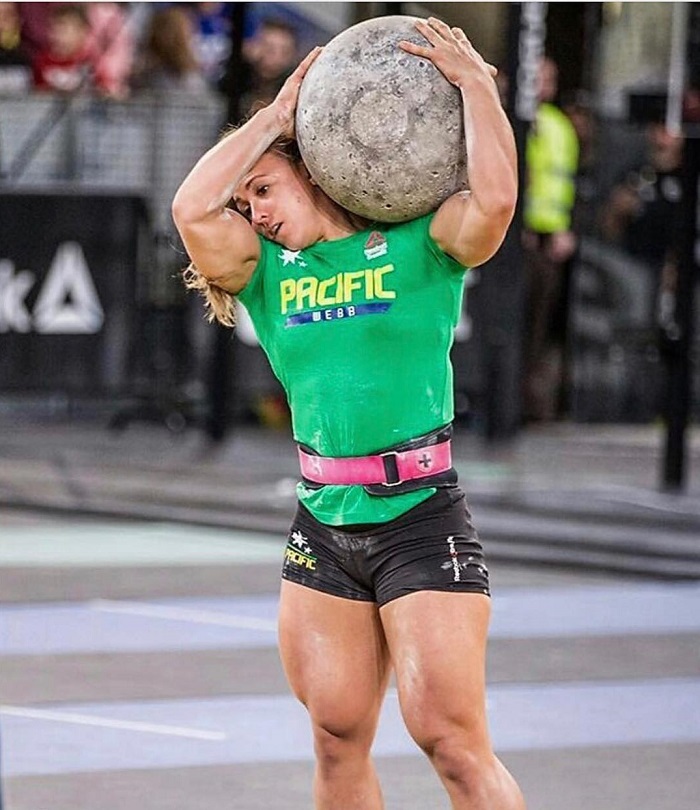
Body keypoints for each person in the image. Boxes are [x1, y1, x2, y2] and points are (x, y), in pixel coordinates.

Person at [173, 17, 524, 810]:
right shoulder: (267, 273)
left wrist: (476, 88)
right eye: (247, 201)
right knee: (335, 739)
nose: (253, 212)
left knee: (454, 745)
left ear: (319, 171)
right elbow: (192, 210)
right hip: (323, 525)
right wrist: (269, 118)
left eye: (264, 189)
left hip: (419, 519)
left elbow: (496, 200)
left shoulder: (418, 245)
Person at [521, 56, 579, 422]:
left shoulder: (560, 128)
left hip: (550, 239)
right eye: (538, 77)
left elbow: (566, 182)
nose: (545, 84)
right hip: (520, 238)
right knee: (517, 323)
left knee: (540, 328)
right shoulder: (516, 121)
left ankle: (531, 406)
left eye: (550, 77)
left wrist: (565, 228)